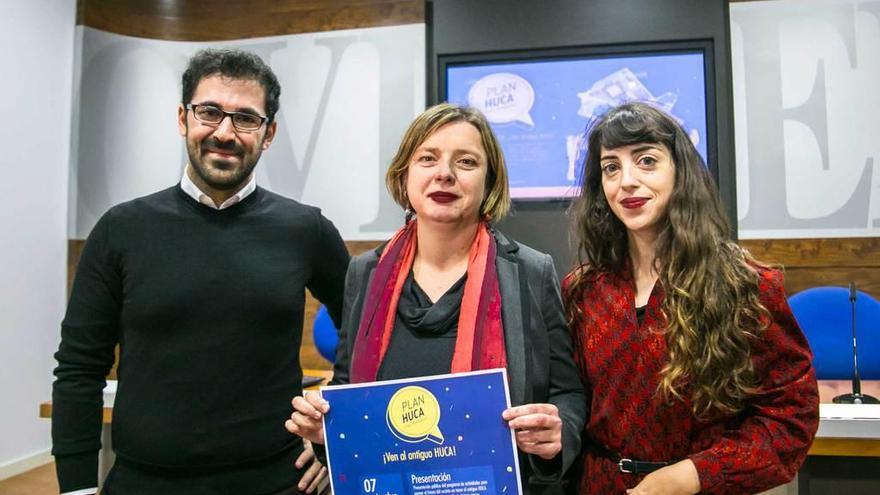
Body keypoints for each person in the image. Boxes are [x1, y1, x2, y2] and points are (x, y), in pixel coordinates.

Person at [51, 49, 350, 495]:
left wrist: (335, 445)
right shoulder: (120, 230)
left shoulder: (306, 230)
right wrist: (75, 488)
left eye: (246, 119)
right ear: (182, 119)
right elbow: (78, 368)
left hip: (278, 484)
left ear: (268, 134)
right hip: (143, 484)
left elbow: (368, 336)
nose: (224, 133)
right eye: (209, 112)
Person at [285, 103, 586, 493]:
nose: (444, 173)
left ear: (489, 182)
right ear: (404, 175)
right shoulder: (364, 273)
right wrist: (327, 428)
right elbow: (347, 390)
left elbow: (567, 392)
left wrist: (559, 431)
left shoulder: (530, 271)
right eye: (427, 158)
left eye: (466, 162)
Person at [563, 102, 819, 494]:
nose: (626, 181)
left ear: (680, 172)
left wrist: (692, 475)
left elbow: (789, 419)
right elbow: (571, 405)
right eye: (611, 167)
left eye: (646, 161)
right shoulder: (583, 291)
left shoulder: (746, 286)